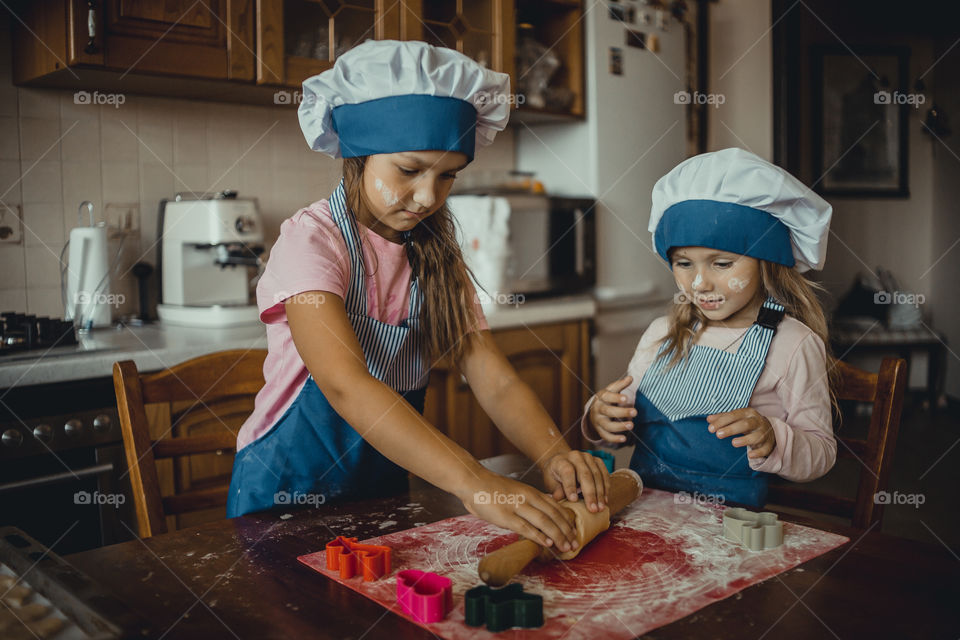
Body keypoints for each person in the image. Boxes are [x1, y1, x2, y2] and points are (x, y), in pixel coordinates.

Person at [227, 40, 608, 554]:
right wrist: (474, 481)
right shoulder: (313, 243)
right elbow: (345, 385)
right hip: (285, 499)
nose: (429, 197)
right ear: (359, 156)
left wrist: (555, 454)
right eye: (409, 171)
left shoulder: (434, 253)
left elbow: (491, 376)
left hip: (382, 492)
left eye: (448, 175)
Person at [584, 148, 838, 508]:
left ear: (768, 262)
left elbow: (822, 452)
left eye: (721, 263)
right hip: (646, 516)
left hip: (728, 531)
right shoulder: (661, 333)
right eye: (684, 263)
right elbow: (623, 425)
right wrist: (599, 418)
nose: (700, 283)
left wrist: (775, 439)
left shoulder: (793, 343)